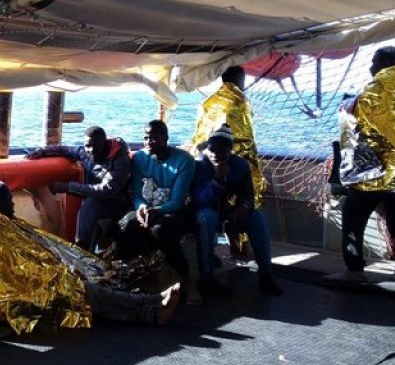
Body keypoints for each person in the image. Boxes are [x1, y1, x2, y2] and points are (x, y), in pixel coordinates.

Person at [0, 177, 179, 334]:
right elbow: (16, 271)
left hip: (50, 276)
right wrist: (64, 275)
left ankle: (152, 301)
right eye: (8, 200)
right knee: (87, 291)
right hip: (33, 291)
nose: (12, 204)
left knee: (106, 272)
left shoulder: (6, 223)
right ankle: (150, 311)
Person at [338, 46, 395, 282]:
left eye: (374, 61)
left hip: (369, 173)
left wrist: (344, 174)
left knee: (353, 217)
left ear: (385, 62)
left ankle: (355, 270)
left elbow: (349, 131)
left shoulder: (369, 94)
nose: (371, 66)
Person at [191, 124, 283, 297]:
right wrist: (217, 179)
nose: (216, 154)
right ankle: (207, 277)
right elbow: (200, 200)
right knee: (207, 218)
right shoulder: (199, 165)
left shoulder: (239, 165)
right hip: (201, 211)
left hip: (225, 212)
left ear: (230, 151)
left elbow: (248, 194)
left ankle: (266, 275)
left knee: (257, 218)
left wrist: (243, 208)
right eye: (212, 150)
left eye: (222, 151)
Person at [26, 126, 132, 251]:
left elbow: (106, 190)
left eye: (96, 145)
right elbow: (65, 150)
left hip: (118, 204)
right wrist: (43, 151)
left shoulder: (119, 158)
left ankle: (83, 247)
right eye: (88, 146)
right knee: (90, 204)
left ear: (105, 144)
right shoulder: (85, 152)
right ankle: (82, 246)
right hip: (95, 201)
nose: (91, 150)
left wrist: (67, 187)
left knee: (91, 204)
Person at [116, 120, 195, 276]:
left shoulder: (184, 160)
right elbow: (138, 194)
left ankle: (185, 277)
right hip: (145, 208)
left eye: (154, 138)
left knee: (161, 229)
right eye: (146, 138)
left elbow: (177, 201)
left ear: (165, 138)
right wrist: (141, 208)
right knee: (127, 224)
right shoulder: (139, 158)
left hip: (173, 210)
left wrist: (156, 211)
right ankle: (124, 274)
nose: (148, 142)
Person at [189, 65, 267, 209]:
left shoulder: (207, 102)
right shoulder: (240, 101)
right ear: (240, 79)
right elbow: (246, 139)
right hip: (231, 159)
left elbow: (199, 134)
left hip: (204, 157)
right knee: (247, 198)